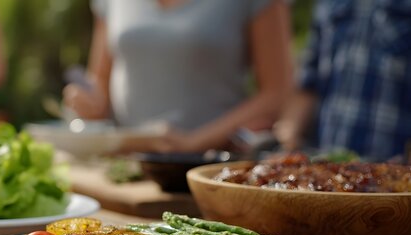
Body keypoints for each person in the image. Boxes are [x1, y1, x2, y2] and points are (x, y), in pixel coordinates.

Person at [63, 0, 294, 153]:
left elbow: (277, 94)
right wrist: (89, 103)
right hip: (124, 169)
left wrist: (193, 143)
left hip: (211, 168)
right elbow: (100, 82)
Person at [273, 0, 411, 162]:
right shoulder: (327, 4)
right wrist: (287, 137)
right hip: (328, 163)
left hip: (394, 167)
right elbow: (308, 85)